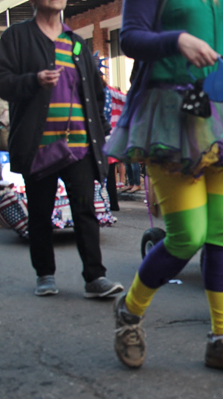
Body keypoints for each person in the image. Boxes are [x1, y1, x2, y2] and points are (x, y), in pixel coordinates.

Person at [103, 0, 223, 375]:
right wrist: (178, 39)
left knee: (222, 233)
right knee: (187, 236)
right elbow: (131, 39)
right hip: (169, 113)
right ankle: (130, 311)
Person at [0, 0, 123, 298]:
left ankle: (95, 277)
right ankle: (44, 274)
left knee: (85, 211)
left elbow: (95, 93)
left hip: (78, 145)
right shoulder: (16, 37)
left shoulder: (75, 43)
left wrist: (104, 133)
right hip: (37, 145)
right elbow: (3, 82)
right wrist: (34, 80)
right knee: (40, 214)